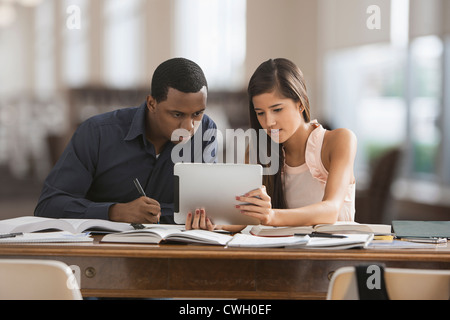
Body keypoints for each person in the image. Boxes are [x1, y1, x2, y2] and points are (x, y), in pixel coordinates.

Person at [35, 58, 217, 224]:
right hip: (104, 253)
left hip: (177, 252)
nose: (189, 127)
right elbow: (49, 205)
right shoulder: (97, 133)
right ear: (152, 103)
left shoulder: (205, 132)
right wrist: (115, 211)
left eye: (197, 114)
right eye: (177, 114)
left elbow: (209, 205)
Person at [187, 58, 356, 230]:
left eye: (277, 110)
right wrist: (214, 226)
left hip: (336, 253)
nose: (269, 122)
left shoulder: (339, 140)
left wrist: (271, 215)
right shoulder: (257, 150)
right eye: (260, 113)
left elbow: (331, 210)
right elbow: (249, 220)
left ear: (300, 103)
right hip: (286, 253)